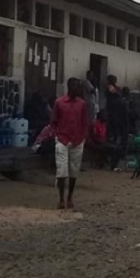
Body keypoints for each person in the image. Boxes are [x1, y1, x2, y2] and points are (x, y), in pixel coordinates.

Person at [51, 78, 88, 210]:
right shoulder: (59, 102)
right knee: (61, 170)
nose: (78, 90)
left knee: (74, 171)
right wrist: (55, 135)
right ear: (70, 88)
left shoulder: (82, 104)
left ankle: (69, 197)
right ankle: (62, 198)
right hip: (62, 139)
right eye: (77, 87)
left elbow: (85, 122)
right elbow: (54, 121)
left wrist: (83, 137)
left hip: (77, 140)